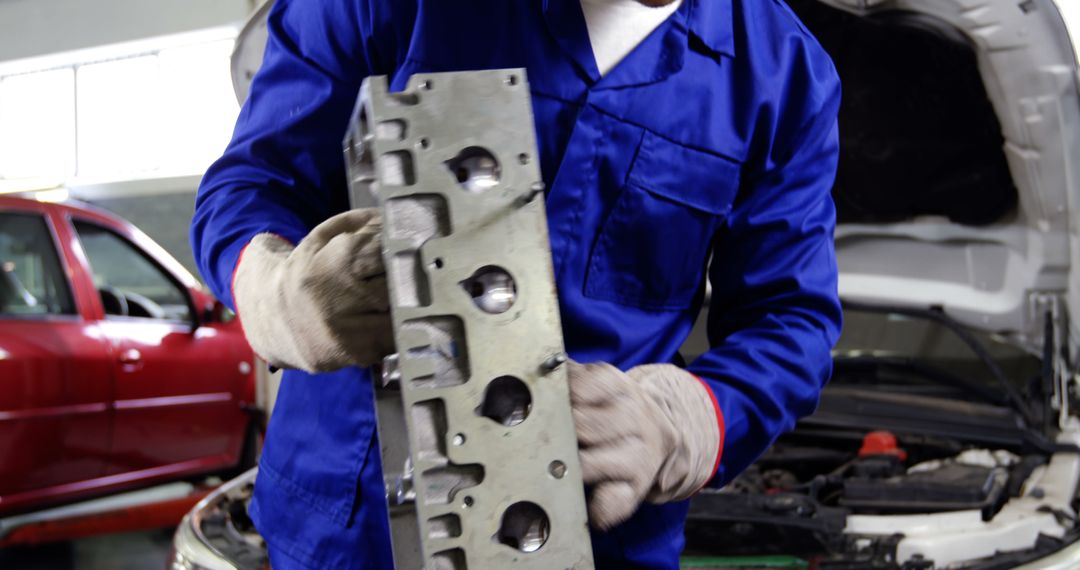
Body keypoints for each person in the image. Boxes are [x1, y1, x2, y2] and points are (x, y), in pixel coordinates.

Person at [191, 0, 842, 568]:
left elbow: (789, 318)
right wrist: (273, 288)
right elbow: (253, 184)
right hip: (347, 517)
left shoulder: (784, 77)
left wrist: (684, 420)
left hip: (596, 535)